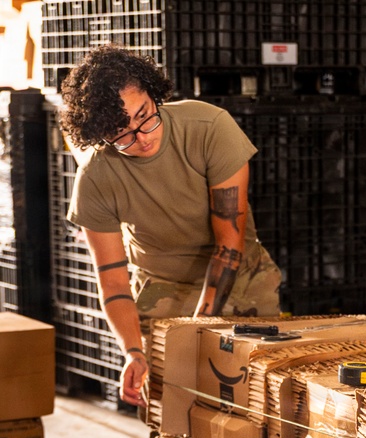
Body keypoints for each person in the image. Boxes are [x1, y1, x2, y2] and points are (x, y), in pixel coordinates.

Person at [59, 44, 282, 407]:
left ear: (153, 93)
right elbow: (113, 281)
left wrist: (196, 332)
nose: (142, 136)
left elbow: (229, 244)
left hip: (240, 281)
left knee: (252, 407)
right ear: (100, 135)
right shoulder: (96, 178)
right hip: (160, 293)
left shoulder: (210, 128)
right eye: (122, 133)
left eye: (145, 115)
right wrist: (133, 351)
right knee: (171, 415)